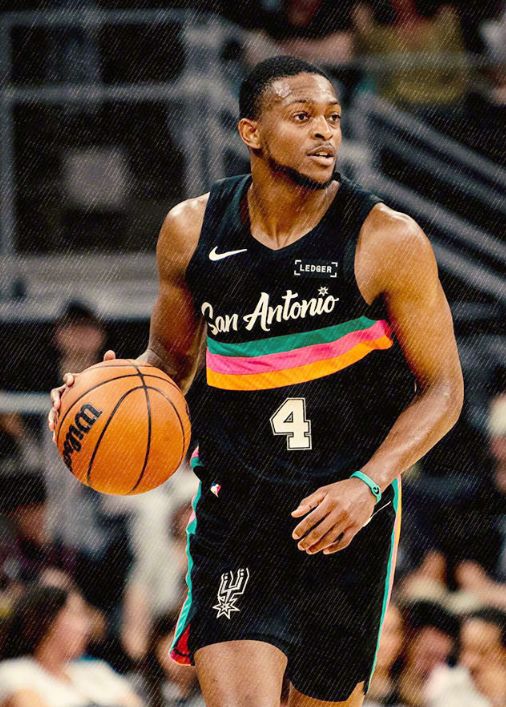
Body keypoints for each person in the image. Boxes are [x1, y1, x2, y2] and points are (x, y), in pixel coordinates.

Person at [49, 55, 463, 706]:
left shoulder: (387, 239)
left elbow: (443, 388)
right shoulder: (192, 230)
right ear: (252, 132)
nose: (324, 132)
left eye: (332, 118)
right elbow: (167, 361)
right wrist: (93, 397)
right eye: (302, 117)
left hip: (344, 518)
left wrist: (369, 482)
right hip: (237, 510)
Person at [0, 585, 143, 706]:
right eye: (76, 615)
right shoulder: (16, 674)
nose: (86, 627)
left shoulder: (97, 671)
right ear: (47, 620)